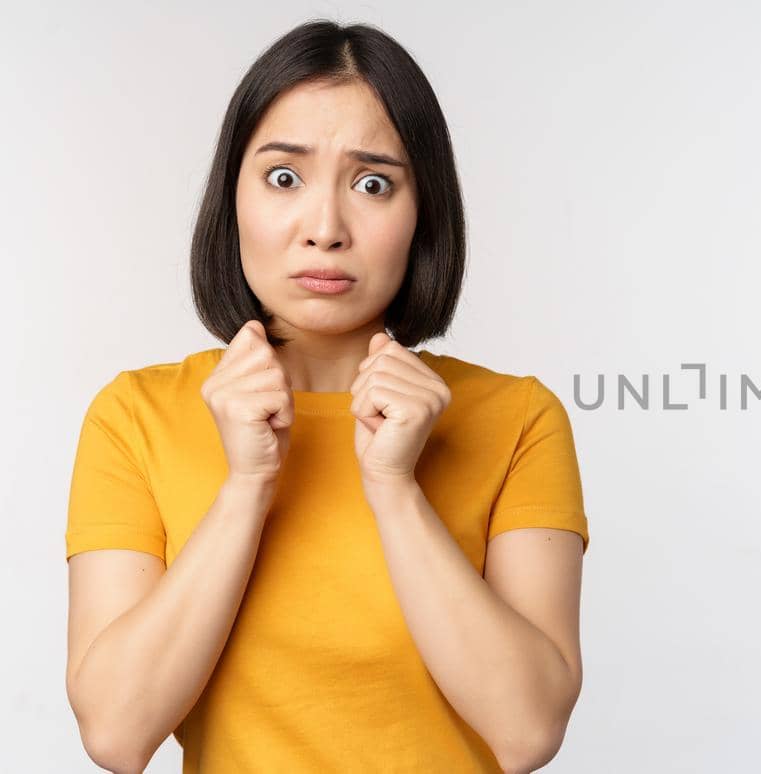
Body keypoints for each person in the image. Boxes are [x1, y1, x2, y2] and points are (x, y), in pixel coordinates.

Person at [63, 19, 588, 773]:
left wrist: (395, 487)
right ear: (232, 197)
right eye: (284, 177)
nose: (325, 228)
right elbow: (116, 734)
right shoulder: (136, 417)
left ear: (423, 213)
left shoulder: (516, 419)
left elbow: (529, 729)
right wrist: (246, 487)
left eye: (374, 183)